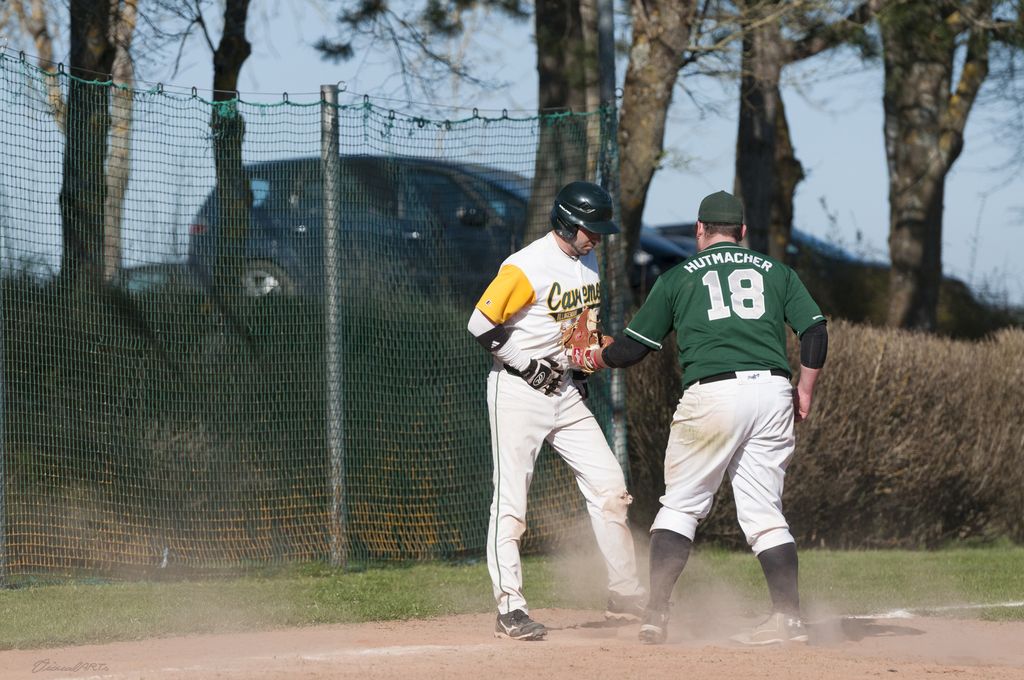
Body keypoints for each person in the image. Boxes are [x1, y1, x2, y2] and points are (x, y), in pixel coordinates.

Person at [568, 190, 828, 646]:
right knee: (766, 515)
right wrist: (803, 390)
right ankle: (788, 619)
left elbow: (633, 350)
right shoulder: (778, 272)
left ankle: (655, 614)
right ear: (742, 232)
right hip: (772, 392)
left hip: (714, 395)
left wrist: (592, 357)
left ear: (700, 230)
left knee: (682, 506)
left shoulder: (679, 277)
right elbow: (815, 330)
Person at [467, 181, 646, 641]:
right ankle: (510, 609)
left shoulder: (587, 262)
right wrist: (527, 366)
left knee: (610, 488)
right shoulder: (527, 265)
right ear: (567, 224)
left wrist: (583, 367)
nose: (597, 238)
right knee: (511, 504)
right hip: (518, 392)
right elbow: (480, 322)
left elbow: (578, 331)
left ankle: (625, 594)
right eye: (591, 229)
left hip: (565, 391)